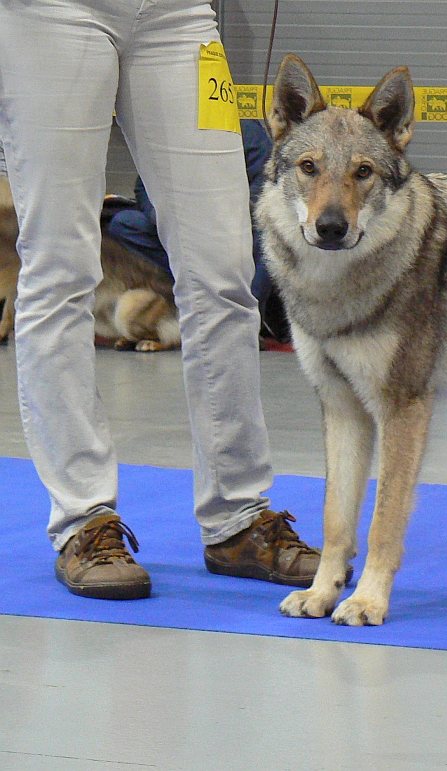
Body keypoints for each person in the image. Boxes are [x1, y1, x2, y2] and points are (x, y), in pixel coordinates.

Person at [0, 0, 319, 600]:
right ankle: (82, 519)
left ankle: (237, 519)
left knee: (224, 271)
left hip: (178, 16)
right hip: (52, 13)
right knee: (60, 267)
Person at [107, 118, 275, 313]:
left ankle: (248, 315)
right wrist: (164, 216)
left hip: (234, 226)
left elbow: (265, 185)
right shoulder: (169, 135)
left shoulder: (244, 131)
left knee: (269, 235)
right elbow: (143, 187)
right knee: (124, 223)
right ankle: (194, 286)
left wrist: (222, 216)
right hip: (185, 226)